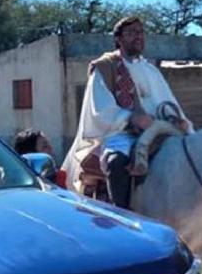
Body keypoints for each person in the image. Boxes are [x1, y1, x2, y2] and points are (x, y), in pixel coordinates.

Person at [61, 16, 193, 209]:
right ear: (118, 39)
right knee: (117, 162)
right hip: (121, 135)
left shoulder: (151, 70)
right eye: (131, 33)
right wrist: (131, 118)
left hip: (159, 131)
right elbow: (100, 109)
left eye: (140, 32)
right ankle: (122, 216)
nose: (138, 37)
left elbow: (167, 103)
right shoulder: (106, 67)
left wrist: (178, 121)